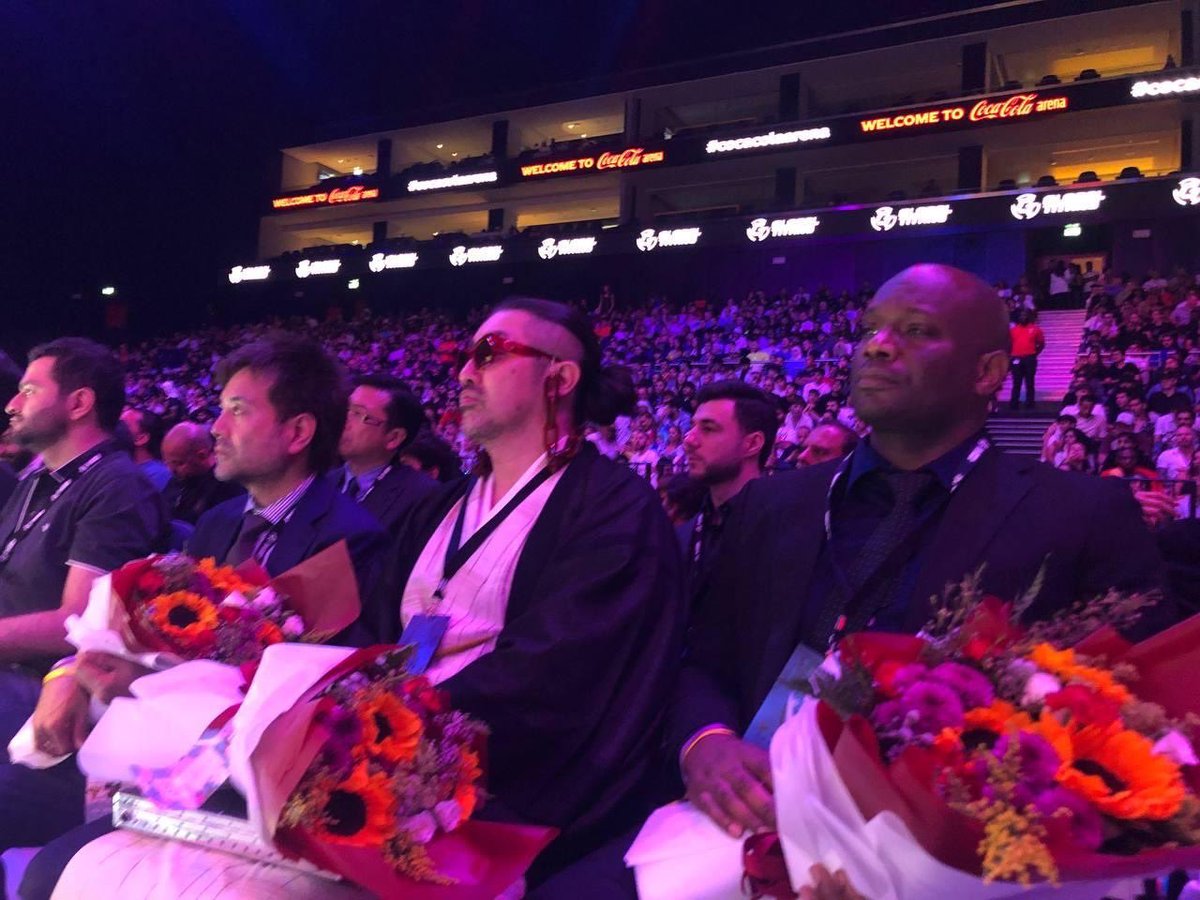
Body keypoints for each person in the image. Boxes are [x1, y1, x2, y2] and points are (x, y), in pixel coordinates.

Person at [670, 263, 1166, 851]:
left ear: (987, 372)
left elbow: (1131, 713)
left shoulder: (1082, 513)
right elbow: (702, 656)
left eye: (916, 330)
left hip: (958, 850)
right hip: (752, 820)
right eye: (870, 329)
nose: (876, 346)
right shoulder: (772, 503)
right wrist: (705, 740)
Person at [19, 334, 389, 899]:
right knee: (47, 871)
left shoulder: (351, 540)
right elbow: (148, 633)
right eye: (220, 409)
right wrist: (71, 670)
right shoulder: (217, 523)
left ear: (297, 432)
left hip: (264, 795)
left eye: (237, 410)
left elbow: (318, 701)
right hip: (175, 769)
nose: (216, 427)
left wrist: (152, 682)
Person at [0, 338, 166, 858]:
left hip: (47, 697)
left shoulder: (116, 486)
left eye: (29, 391)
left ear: (78, 403)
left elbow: (76, 621)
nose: (12, 404)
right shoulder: (36, 480)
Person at [679, 380, 777, 605]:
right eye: (692, 427)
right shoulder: (685, 534)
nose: (689, 440)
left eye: (708, 429)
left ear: (752, 443)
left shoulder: (785, 534)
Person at [333, 373, 437, 535]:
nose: (345, 420)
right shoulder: (322, 481)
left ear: (394, 437)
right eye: (347, 409)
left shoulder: (422, 497)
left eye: (359, 414)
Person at [159, 421, 244, 524]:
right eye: (168, 463)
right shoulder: (178, 480)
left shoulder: (229, 485)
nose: (171, 470)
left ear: (201, 456)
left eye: (179, 463)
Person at [118, 406, 171, 490]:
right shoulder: (123, 464)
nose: (117, 429)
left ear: (141, 438)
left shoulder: (157, 475)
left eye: (123, 425)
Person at [1008, 309, 1044, 409]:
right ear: (1018, 317)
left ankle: (1030, 403)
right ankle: (1014, 403)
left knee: (1029, 381)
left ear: (1028, 317)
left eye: (1025, 315)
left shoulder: (1035, 329)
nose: (1023, 317)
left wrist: (1034, 354)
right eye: (1021, 315)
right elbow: (1009, 344)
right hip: (1016, 358)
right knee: (1016, 381)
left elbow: (1041, 344)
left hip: (1030, 358)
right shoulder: (1013, 330)